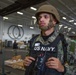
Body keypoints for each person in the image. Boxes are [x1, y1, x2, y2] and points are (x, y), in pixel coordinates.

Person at [23, 5, 75, 75]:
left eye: (45, 17)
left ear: (54, 21)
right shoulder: (33, 41)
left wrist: (63, 68)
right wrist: (25, 64)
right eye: (39, 17)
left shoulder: (66, 42)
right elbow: (27, 63)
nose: (41, 20)